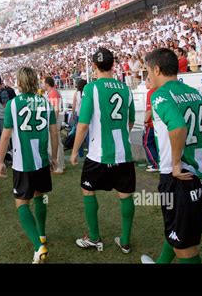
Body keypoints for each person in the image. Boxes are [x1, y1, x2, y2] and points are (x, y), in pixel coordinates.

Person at [141, 48, 202, 264]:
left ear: (156, 69)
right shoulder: (193, 92)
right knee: (179, 230)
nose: (147, 76)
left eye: (148, 71)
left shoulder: (161, 95)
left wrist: (174, 163)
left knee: (186, 247)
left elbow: (179, 127)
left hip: (178, 177)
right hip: (197, 173)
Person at [70, 48, 136, 254]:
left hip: (98, 154)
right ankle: (125, 240)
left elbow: (82, 125)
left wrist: (74, 152)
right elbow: (131, 120)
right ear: (113, 64)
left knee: (88, 190)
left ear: (94, 66)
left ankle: (94, 237)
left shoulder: (91, 88)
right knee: (125, 196)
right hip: (123, 154)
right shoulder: (126, 89)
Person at [0, 67, 58, 263]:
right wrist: (54, 156)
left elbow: (5, 135)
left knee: (21, 204)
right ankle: (41, 234)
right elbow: (54, 132)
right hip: (41, 159)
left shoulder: (13, 104)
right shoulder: (45, 102)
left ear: (20, 82)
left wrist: (0, 161)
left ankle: (39, 246)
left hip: (22, 162)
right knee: (40, 196)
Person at [44, 77, 65, 175]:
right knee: (58, 143)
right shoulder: (54, 92)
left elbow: (56, 109)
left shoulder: (53, 93)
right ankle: (61, 165)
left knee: (54, 143)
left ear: (47, 84)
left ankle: (58, 167)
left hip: (56, 119)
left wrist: (53, 122)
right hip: (57, 118)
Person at [143, 77, 159, 172]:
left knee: (147, 143)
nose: (145, 84)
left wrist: (145, 122)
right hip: (158, 123)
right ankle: (157, 162)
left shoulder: (151, 93)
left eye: (145, 82)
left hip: (151, 123)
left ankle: (155, 164)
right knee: (155, 143)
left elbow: (149, 110)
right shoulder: (159, 91)